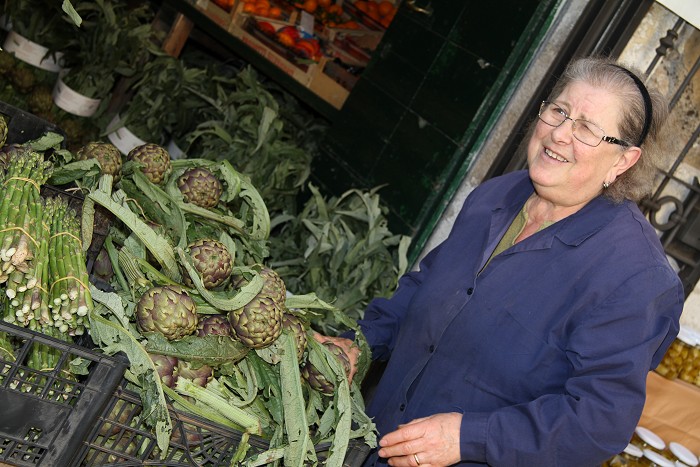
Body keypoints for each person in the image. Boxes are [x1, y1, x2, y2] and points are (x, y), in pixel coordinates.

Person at [317, 56, 685, 466]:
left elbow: (596, 422)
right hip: (371, 445)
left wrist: (469, 437)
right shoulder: (497, 196)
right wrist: (360, 344)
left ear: (622, 161)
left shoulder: (636, 278)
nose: (560, 133)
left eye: (586, 129)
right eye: (558, 111)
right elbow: (424, 289)